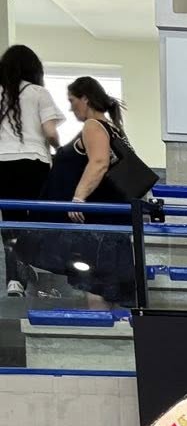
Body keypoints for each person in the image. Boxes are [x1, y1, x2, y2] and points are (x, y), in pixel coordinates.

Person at [31, 76, 137, 306]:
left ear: (85, 99)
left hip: (98, 223)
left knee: (97, 283)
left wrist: (78, 198)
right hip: (108, 221)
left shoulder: (93, 126)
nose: (71, 108)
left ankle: (99, 325)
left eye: (72, 100)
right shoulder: (112, 128)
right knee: (105, 284)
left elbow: (99, 163)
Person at [0, 44, 62, 298]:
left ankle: (14, 280)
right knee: (36, 220)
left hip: (2, 163)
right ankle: (33, 268)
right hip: (34, 163)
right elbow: (50, 132)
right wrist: (61, 150)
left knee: (10, 222)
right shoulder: (38, 93)